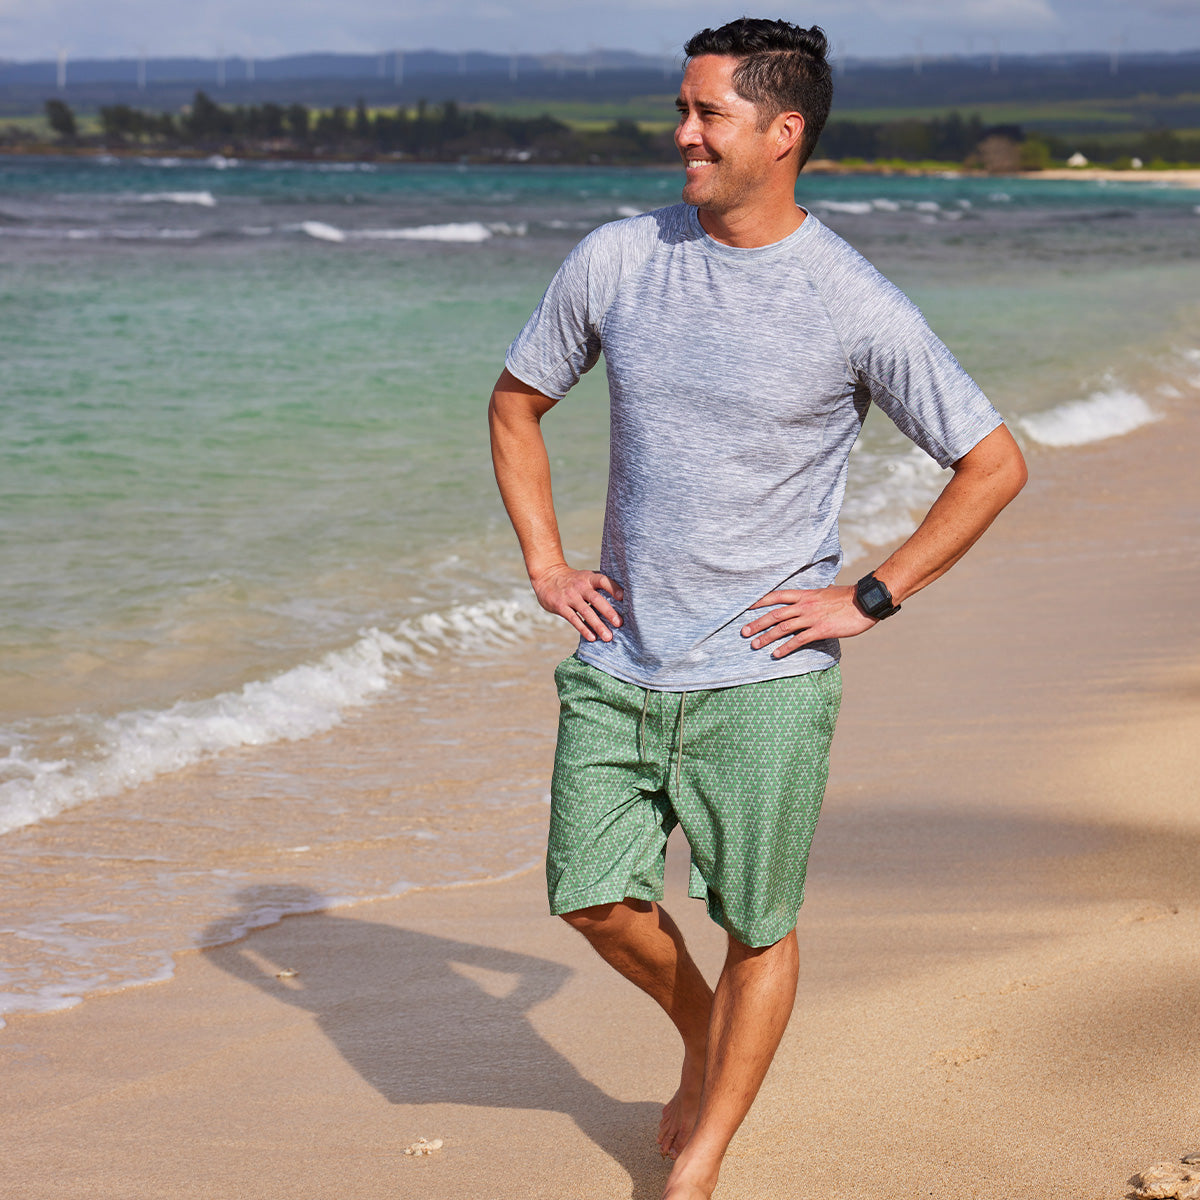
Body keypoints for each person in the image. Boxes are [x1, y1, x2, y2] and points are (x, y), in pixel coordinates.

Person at [488, 17, 1027, 1200]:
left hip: (767, 679)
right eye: (680, 108)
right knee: (590, 897)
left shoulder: (852, 301)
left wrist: (871, 597)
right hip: (620, 657)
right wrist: (546, 564)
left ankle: (703, 1161)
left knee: (759, 927)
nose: (681, 132)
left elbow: (991, 461)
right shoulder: (619, 258)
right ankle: (701, 1037)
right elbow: (517, 404)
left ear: (783, 133)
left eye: (707, 113)